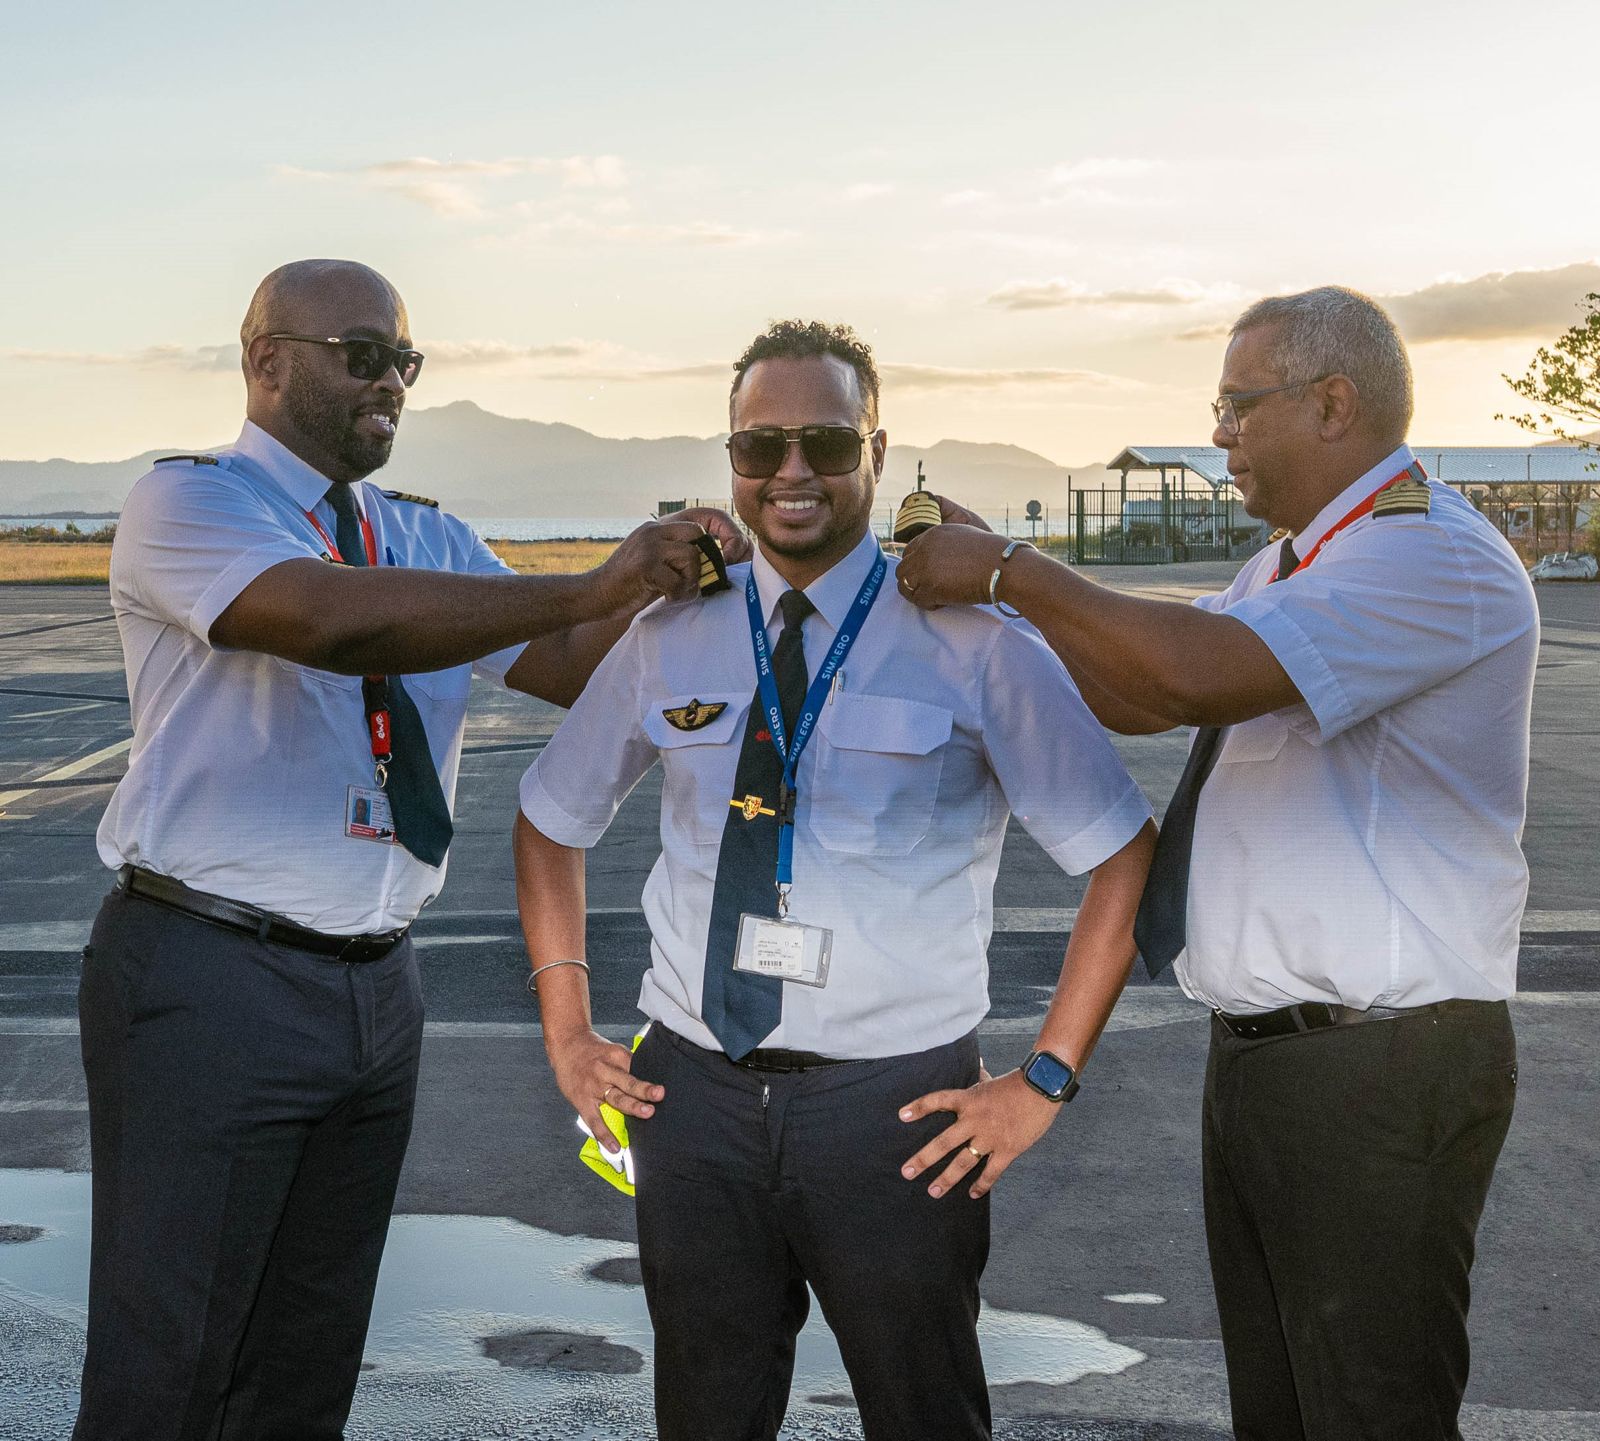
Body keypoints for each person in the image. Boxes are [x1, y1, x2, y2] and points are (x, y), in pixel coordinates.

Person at [77, 258, 747, 1441]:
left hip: (377, 985)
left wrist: (713, 597)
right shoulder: (193, 502)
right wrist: (594, 582)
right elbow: (333, 620)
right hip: (209, 974)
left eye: (405, 360)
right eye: (361, 355)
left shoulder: (426, 532)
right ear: (266, 359)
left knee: (308, 1356)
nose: (390, 382)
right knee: (172, 1364)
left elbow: (572, 668)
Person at [897, 286, 1538, 1441]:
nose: (1221, 432)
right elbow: (1142, 692)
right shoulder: (1289, 566)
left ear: (1331, 402)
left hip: (1379, 1063)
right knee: (1282, 1413)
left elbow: (1193, 672)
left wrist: (1013, 570)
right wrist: (1006, 588)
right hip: (1274, 1065)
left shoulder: (1431, 559)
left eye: (1237, 406)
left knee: (1370, 1412)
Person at [514, 319, 1156, 1441]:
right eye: (760, 448)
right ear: (731, 461)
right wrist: (567, 1028)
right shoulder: (672, 631)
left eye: (822, 441)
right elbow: (546, 817)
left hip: (894, 1108)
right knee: (705, 1413)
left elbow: (1119, 850)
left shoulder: (974, 639)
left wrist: (1042, 1079)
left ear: (876, 446)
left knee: (923, 1413)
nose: (791, 473)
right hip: (691, 1095)